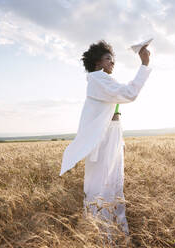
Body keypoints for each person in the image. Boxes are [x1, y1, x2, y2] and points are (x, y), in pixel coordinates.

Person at [59, 40, 151, 240]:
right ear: (96, 62)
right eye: (108, 58)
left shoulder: (103, 80)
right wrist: (144, 64)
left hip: (113, 133)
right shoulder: (97, 79)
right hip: (105, 137)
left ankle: (115, 233)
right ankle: (101, 234)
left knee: (114, 181)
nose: (112, 62)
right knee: (102, 183)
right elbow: (129, 93)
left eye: (113, 59)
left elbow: (122, 94)